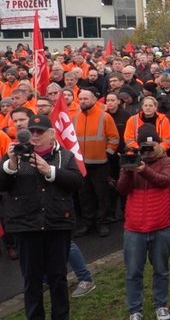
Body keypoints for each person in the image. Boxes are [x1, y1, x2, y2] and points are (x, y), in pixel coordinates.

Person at [0, 115, 83, 320]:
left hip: (57, 223)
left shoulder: (64, 155)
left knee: (58, 277)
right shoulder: (16, 154)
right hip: (26, 226)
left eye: (40, 132)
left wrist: (50, 171)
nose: (35, 136)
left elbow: (76, 181)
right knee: (31, 280)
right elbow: (2, 186)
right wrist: (10, 164)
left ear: (51, 134)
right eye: (32, 132)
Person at [116, 124, 170, 320]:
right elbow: (121, 190)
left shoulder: (169, 161)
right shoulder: (134, 160)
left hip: (160, 226)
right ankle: (135, 310)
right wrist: (127, 168)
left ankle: (161, 305)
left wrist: (143, 170)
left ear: (159, 144)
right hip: (134, 227)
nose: (149, 151)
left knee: (161, 270)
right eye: (145, 147)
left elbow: (165, 180)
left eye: (152, 146)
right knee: (133, 273)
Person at [73, 88, 120, 237]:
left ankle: (102, 222)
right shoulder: (75, 118)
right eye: (80, 99)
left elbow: (114, 139)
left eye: (86, 99)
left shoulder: (104, 117)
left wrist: (107, 154)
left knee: (102, 194)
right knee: (84, 195)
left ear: (94, 99)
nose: (83, 101)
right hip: (81, 165)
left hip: (100, 164)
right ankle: (88, 222)